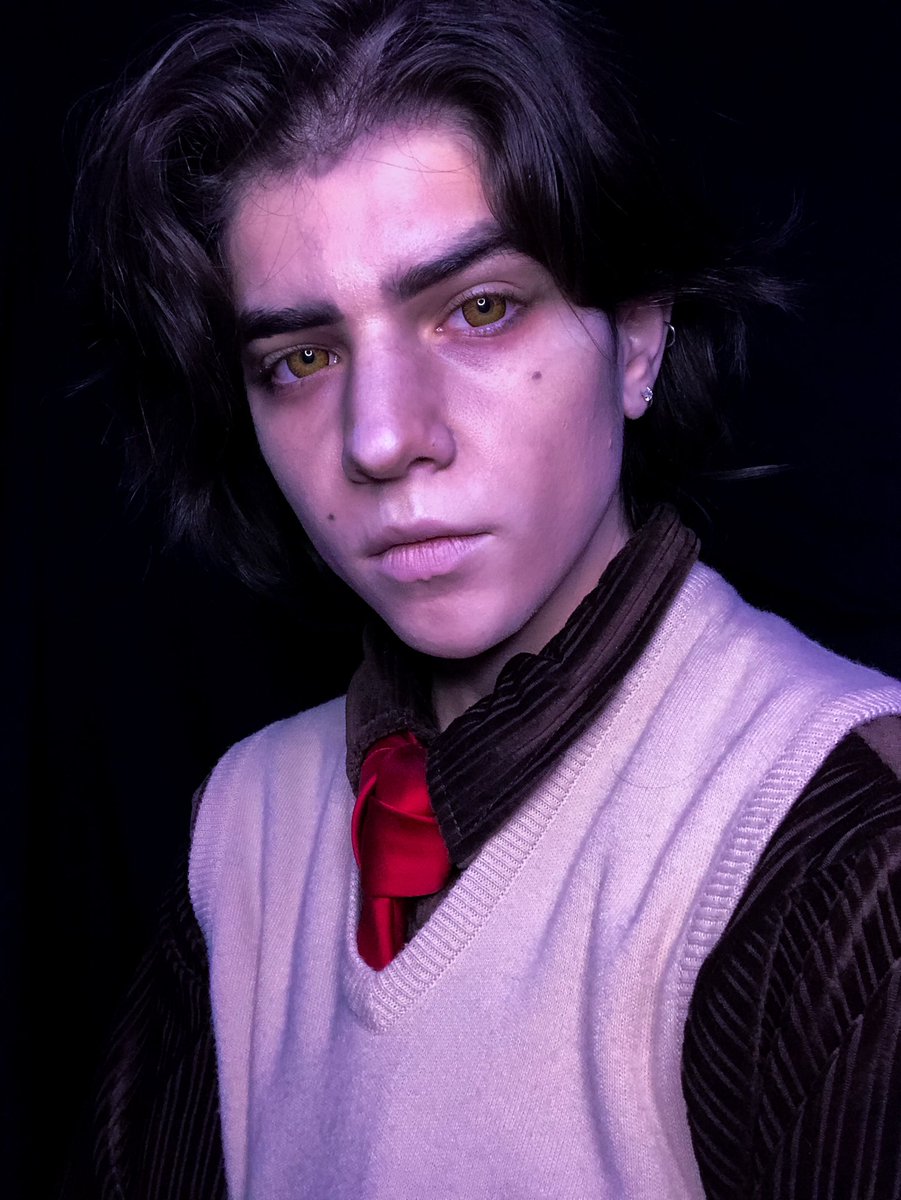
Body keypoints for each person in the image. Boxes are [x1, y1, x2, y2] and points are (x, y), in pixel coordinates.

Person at [68, 1, 901, 1196]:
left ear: (636, 336)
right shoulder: (242, 830)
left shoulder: (847, 852)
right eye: (302, 358)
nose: (381, 437)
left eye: (478, 309)